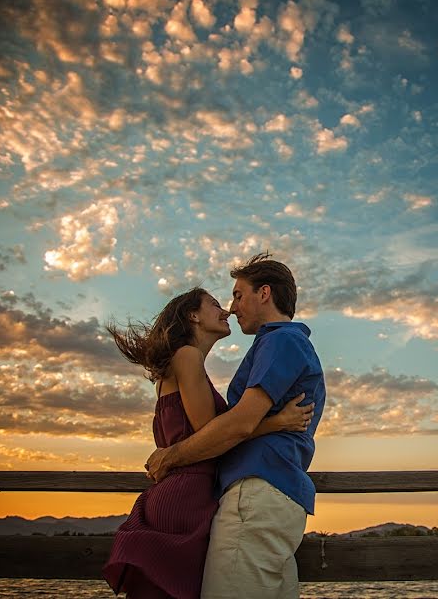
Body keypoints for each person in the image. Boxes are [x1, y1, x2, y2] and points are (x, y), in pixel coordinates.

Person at [102, 287, 313, 599]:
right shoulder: (187, 356)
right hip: (188, 494)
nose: (226, 311)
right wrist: (276, 423)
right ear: (193, 315)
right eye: (215, 305)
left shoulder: (183, 364)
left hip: (189, 491)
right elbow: (209, 429)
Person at [145, 253, 326, 599]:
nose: (232, 306)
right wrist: (274, 423)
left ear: (265, 293)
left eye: (238, 295)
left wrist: (172, 455)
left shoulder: (280, 340)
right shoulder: (280, 343)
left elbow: (240, 424)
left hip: (255, 494)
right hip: (270, 495)